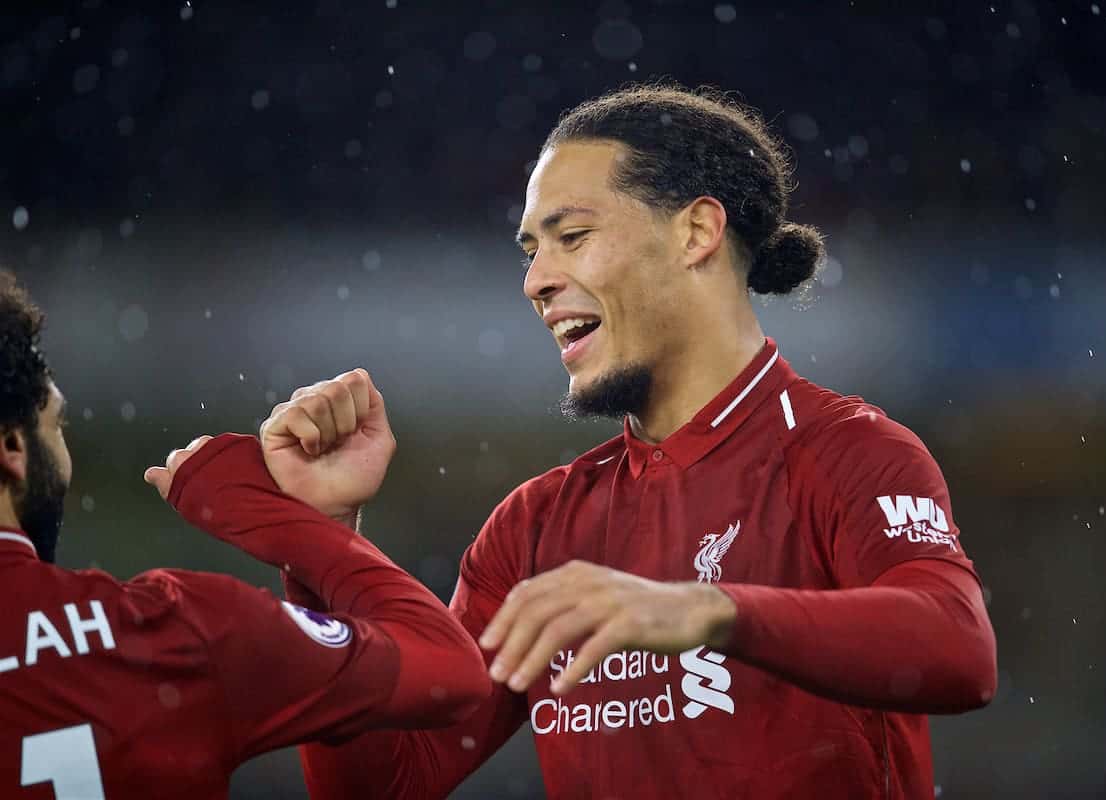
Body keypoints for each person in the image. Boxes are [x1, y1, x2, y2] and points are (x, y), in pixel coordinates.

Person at [237, 84, 998, 799]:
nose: (536, 280)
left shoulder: (845, 450)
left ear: (697, 231)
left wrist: (713, 612)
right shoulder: (534, 529)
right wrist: (321, 547)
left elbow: (960, 651)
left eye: (571, 236)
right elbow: (387, 784)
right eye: (531, 249)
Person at [0, 272, 489, 799]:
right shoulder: (168, 633)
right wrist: (284, 522)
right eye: (58, 427)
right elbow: (450, 668)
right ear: (12, 448)